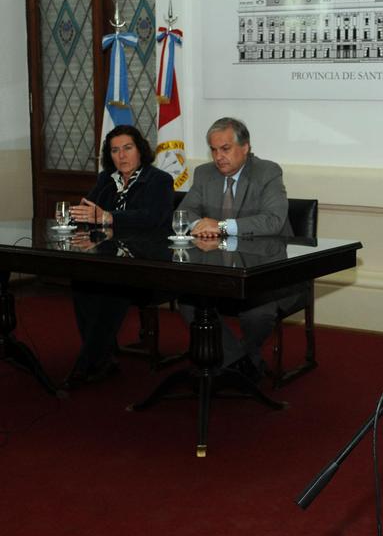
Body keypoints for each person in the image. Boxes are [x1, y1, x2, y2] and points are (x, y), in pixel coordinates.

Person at [177, 117, 292, 382]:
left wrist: (220, 225)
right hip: (218, 269)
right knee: (188, 303)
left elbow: (273, 221)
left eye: (225, 148)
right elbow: (184, 211)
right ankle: (242, 362)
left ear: (245, 147)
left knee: (257, 314)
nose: (218, 157)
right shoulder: (205, 174)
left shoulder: (267, 172)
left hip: (266, 269)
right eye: (214, 149)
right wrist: (197, 224)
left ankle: (236, 360)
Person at [64, 125, 174, 389]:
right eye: (115, 150)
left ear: (140, 150)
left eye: (128, 148)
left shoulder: (158, 180)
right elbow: (87, 210)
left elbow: (152, 218)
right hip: (110, 261)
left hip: (148, 265)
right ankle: (103, 356)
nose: (122, 156)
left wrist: (109, 217)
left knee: (114, 288)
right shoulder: (106, 180)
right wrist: (79, 216)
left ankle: (87, 363)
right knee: (82, 283)